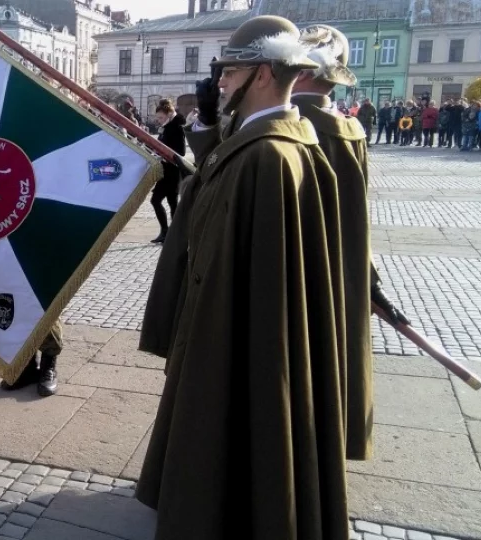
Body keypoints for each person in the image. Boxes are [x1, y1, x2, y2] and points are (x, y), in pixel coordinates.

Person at [136, 16, 348, 540]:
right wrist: (207, 122)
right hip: (219, 313)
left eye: (230, 70)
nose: (221, 81)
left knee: (233, 418)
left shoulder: (271, 155)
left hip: (234, 328)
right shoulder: (263, 139)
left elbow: (263, 281)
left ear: (261, 74)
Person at [294, 24, 409, 461]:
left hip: (293, 263)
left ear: (302, 72)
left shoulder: (291, 123)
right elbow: (355, 221)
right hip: (337, 266)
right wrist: (369, 279)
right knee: (328, 352)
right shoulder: (349, 127)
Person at [149, 99, 185, 243]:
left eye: (161, 117)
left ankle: (169, 232)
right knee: (172, 204)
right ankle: (170, 233)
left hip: (172, 172)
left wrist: (163, 153)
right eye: (157, 118)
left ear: (169, 114)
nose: (158, 120)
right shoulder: (167, 126)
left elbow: (181, 151)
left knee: (157, 200)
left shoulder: (176, 127)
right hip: (166, 172)